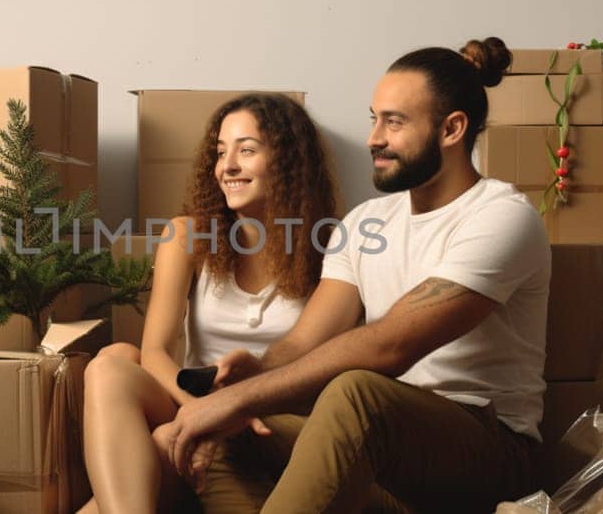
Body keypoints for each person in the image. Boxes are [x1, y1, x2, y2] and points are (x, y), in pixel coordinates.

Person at [157, 37, 552, 513]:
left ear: (452, 129)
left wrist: (244, 398)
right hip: (385, 454)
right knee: (228, 433)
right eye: (374, 118)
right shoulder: (366, 223)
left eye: (394, 122)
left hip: (486, 449)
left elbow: (390, 344)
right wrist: (253, 378)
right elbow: (305, 343)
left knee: (355, 392)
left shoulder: (500, 217)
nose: (374, 138)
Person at [79, 93, 339, 514]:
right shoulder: (187, 236)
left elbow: (328, 369)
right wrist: (203, 413)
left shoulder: (332, 246)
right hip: (192, 403)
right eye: (220, 153)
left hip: (274, 419)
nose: (228, 166)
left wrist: (231, 413)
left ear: (290, 161)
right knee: (112, 362)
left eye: (247, 150)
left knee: (152, 456)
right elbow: (155, 351)